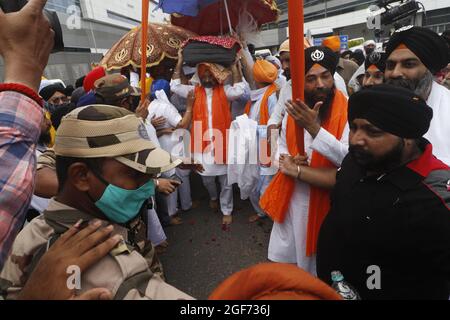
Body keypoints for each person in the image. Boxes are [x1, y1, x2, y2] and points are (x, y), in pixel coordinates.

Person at [0, 105, 193, 300]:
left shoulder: (33, 234)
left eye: (150, 174)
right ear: (81, 176)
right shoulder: (107, 271)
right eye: (135, 174)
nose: (148, 186)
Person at [317, 85, 450, 300]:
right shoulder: (357, 160)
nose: (356, 140)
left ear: (408, 137)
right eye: (354, 127)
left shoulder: (437, 197)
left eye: (373, 132)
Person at [260, 46, 349, 274]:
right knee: (287, 265)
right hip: (293, 197)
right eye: (311, 78)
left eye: (325, 76)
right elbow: (279, 145)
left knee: (322, 266)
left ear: (333, 77)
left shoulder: (349, 109)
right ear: (302, 81)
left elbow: (348, 160)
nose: (319, 84)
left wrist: (314, 128)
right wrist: (286, 159)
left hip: (329, 201)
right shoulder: (294, 105)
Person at [171, 55, 247, 226]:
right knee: (206, 178)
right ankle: (213, 196)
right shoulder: (193, 91)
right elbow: (174, 85)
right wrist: (180, 61)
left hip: (223, 142)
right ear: (198, 75)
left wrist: (234, 67)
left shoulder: (225, 90)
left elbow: (240, 90)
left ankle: (226, 209)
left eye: (210, 74)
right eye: (204, 75)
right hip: (201, 144)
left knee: (225, 181)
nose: (207, 78)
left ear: (216, 75)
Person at [384, 26, 450, 165]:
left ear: (429, 70)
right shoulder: (374, 106)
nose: (395, 73)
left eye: (408, 64)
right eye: (390, 65)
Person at [147, 79, 195, 224]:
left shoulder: (150, 106)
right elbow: (182, 124)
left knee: (178, 174)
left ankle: (183, 205)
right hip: (172, 145)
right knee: (175, 176)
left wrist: (160, 130)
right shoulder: (166, 106)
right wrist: (189, 107)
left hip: (161, 144)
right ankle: (172, 212)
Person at [244, 60, 279, 223]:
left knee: (266, 183)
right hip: (253, 145)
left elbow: (276, 125)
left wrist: (253, 127)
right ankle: (262, 211)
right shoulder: (256, 95)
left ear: (256, 79)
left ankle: (268, 213)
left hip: (267, 146)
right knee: (253, 179)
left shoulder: (272, 96)